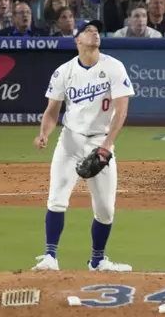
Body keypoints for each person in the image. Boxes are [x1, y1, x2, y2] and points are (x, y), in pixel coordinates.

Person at [31, 19, 135, 272]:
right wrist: (44, 134)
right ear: (77, 40)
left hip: (100, 140)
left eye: (97, 30)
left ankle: (98, 261)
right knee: (56, 199)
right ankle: (49, 257)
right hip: (70, 140)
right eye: (88, 30)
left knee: (106, 210)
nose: (94, 33)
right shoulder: (63, 71)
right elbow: (52, 111)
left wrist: (107, 145)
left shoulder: (114, 67)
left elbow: (122, 109)